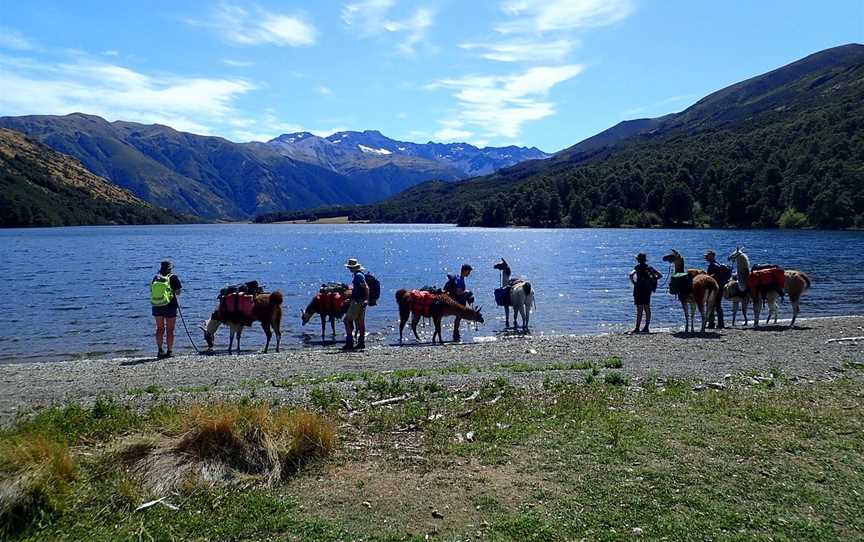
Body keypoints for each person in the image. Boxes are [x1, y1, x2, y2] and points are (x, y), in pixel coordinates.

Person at [150, 260, 182, 359]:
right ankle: (169, 351)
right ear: (170, 268)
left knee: (159, 329)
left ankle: (160, 350)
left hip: (156, 305)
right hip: (170, 306)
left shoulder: (156, 278)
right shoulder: (173, 277)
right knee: (170, 330)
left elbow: (151, 290)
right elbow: (178, 292)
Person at [629, 253, 661, 334]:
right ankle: (646, 327)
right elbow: (660, 275)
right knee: (647, 308)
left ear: (638, 260)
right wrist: (652, 279)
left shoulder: (637, 268)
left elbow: (631, 275)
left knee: (639, 309)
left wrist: (634, 282)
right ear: (645, 260)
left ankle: (637, 328)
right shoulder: (649, 268)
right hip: (647, 290)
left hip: (638, 289)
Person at [342, 258, 368, 350]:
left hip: (357, 302)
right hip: (361, 301)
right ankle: (361, 342)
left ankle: (349, 342)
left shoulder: (358, 276)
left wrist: (365, 299)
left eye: (350, 267)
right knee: (360, 322)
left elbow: (366, 288)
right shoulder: (360, 275)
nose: (349, 269)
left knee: (346, 320)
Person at [445, 264, 473, 341]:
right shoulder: (460, 280)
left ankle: (456, 334)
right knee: (458, 318)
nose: (469, 273)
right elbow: (458, 292)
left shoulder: (460, 278)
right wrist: (466, 292)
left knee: (458, 318)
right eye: (468, 271)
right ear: (464, 270)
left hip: (458, 301)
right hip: (458, 302)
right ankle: (456, 335)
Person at [704, 250, 730, 329]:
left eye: (707, 256)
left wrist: (708, 277)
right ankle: (720, 323)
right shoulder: (718, 264)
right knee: (718, 305)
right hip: (720, 287)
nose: (706, 257)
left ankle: (711, 323)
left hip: (714, 289)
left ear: (712, 256)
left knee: (710, 305)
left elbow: (713, 276)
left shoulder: (713, 265)